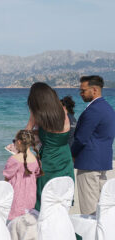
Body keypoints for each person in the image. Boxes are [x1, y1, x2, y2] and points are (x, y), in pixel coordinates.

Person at [25, 82, 74, 210]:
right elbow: (55, 134)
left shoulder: (38, 114)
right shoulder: (63, 111)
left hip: (49, 160)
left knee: (44, 197)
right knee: (61, 197)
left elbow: (26, 134)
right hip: (65, 158)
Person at [71, 75, 115, 215]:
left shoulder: (93, 110)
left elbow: (81, 138)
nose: (81, 93)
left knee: (89, 209)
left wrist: (71, 154)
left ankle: (91, 236)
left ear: (94, 90)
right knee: (103, 207)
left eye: (83, 90)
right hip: (102, 161)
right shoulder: (108, 108)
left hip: (88, 162)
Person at [3, 130, 42, 220]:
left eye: (14, 141)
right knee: (26, 221)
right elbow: (36, 175)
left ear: (19, 142)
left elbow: (6, 177)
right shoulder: (35, 159)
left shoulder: (14, 159)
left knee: (13, 222)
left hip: (16, 196)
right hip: (31, 196)